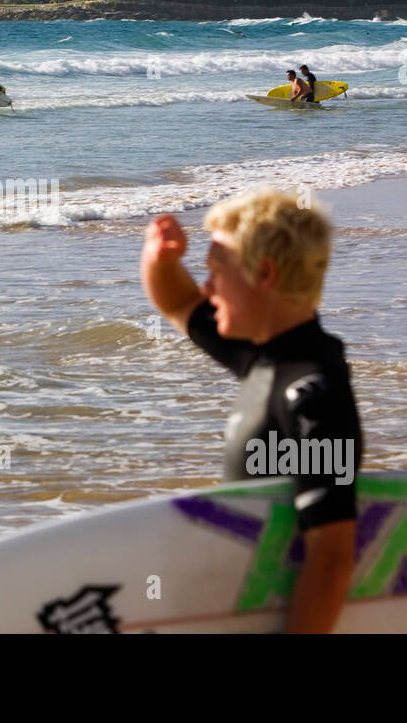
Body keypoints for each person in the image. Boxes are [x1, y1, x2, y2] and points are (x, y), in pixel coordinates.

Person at [140, 187, 362, 633]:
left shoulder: (313, 393)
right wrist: (160, 260)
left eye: (216, 271)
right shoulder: (263, 355)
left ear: (263, 273)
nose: (207, 288)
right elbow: (179, 303)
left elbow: (331, 557)